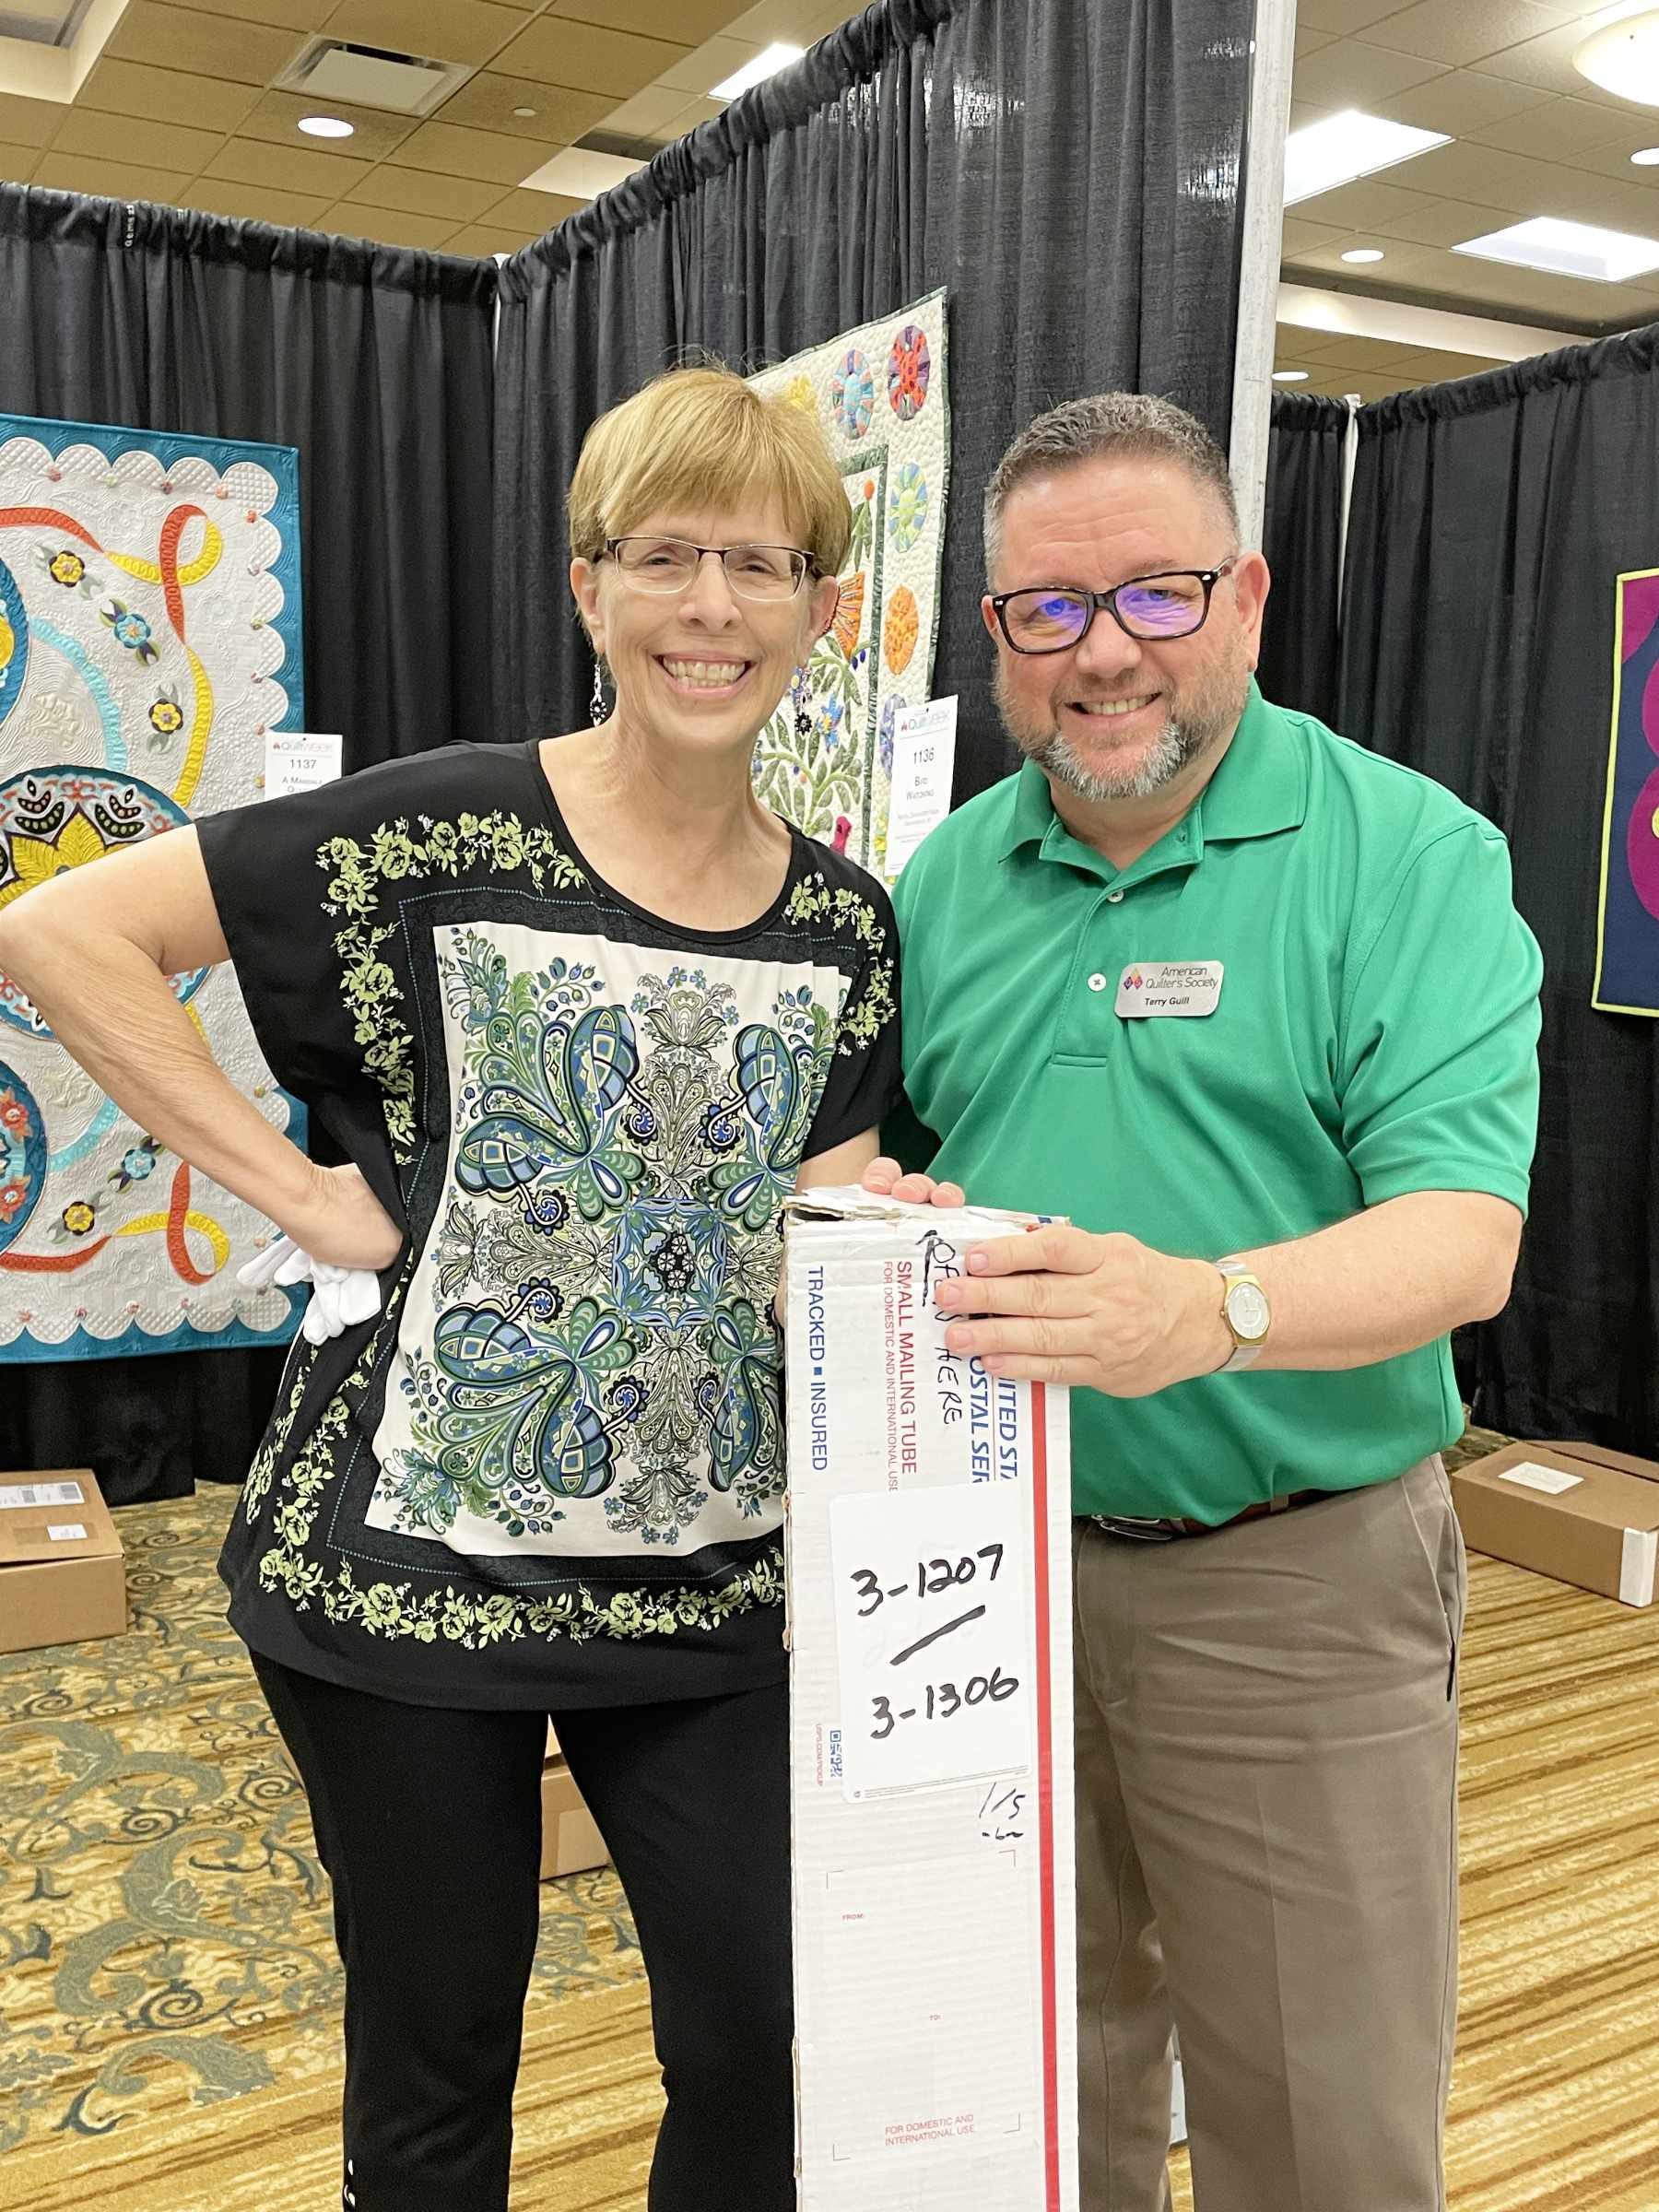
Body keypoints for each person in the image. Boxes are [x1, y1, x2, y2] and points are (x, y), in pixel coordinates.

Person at [0, 366, 902, 2212]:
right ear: (590, 589)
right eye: (665, 556)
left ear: (822, 606)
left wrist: (874, 1229)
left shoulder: (844, 922)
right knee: (437, 2075)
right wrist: (292, 1192)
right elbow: (61, 930)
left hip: (716, 1582)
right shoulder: (434, 835)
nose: (712, 606)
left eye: (760, 564)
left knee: (769, 2037)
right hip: (405, 1583)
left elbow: (811, 1206)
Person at [864, 391, 1542, 2212]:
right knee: (1033, 2082)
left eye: (1156, 595)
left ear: (1244, 597)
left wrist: (1209, 1312)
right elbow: (889, 1169)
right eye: (1048, 609)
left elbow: (1462, 1236)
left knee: (1319, 2120)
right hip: (986, 1578)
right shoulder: (948, 879)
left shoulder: (1406, 857)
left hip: (1290, 1585)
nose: (1103, 654)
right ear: (994, 632)